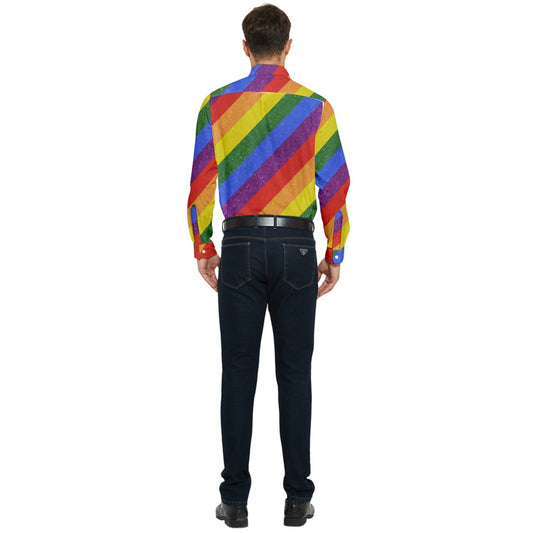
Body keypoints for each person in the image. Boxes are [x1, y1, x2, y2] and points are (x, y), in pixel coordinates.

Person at [186, 4, 350, 527]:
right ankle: (298, 499)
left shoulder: (217, 104)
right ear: (288, 45)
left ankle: (234, 501)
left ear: (245, 47)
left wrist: (203, 247)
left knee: (238, 372)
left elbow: (200, 184)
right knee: (295, 374)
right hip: (297, 249)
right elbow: (336, 185)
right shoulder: (315, 107)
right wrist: (335, 252)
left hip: (238, 247)